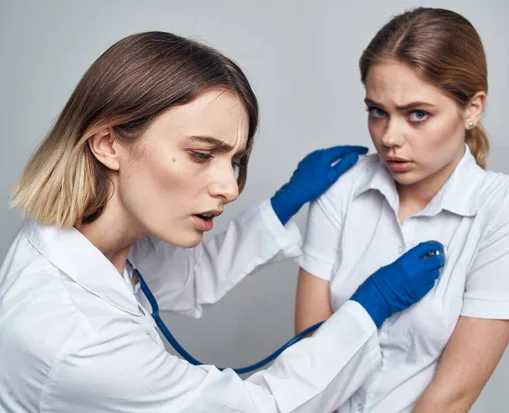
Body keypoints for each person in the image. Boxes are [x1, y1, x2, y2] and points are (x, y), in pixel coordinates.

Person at [0, 31, 446, 413]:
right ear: (108, 144)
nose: (230, 188)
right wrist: (370, 308)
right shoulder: (78, 337)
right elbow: (261, 408)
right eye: (200, 154)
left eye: (235, 160)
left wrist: (282, 206)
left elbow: (189, 278)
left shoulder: (88, 239)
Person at [295, 7, 509, 413]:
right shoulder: (340, 184)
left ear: (472, 108)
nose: (390, 137)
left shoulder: (504, 209)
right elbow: (309, 353)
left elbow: (450, 398)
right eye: (378, 111)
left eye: (418, 114)